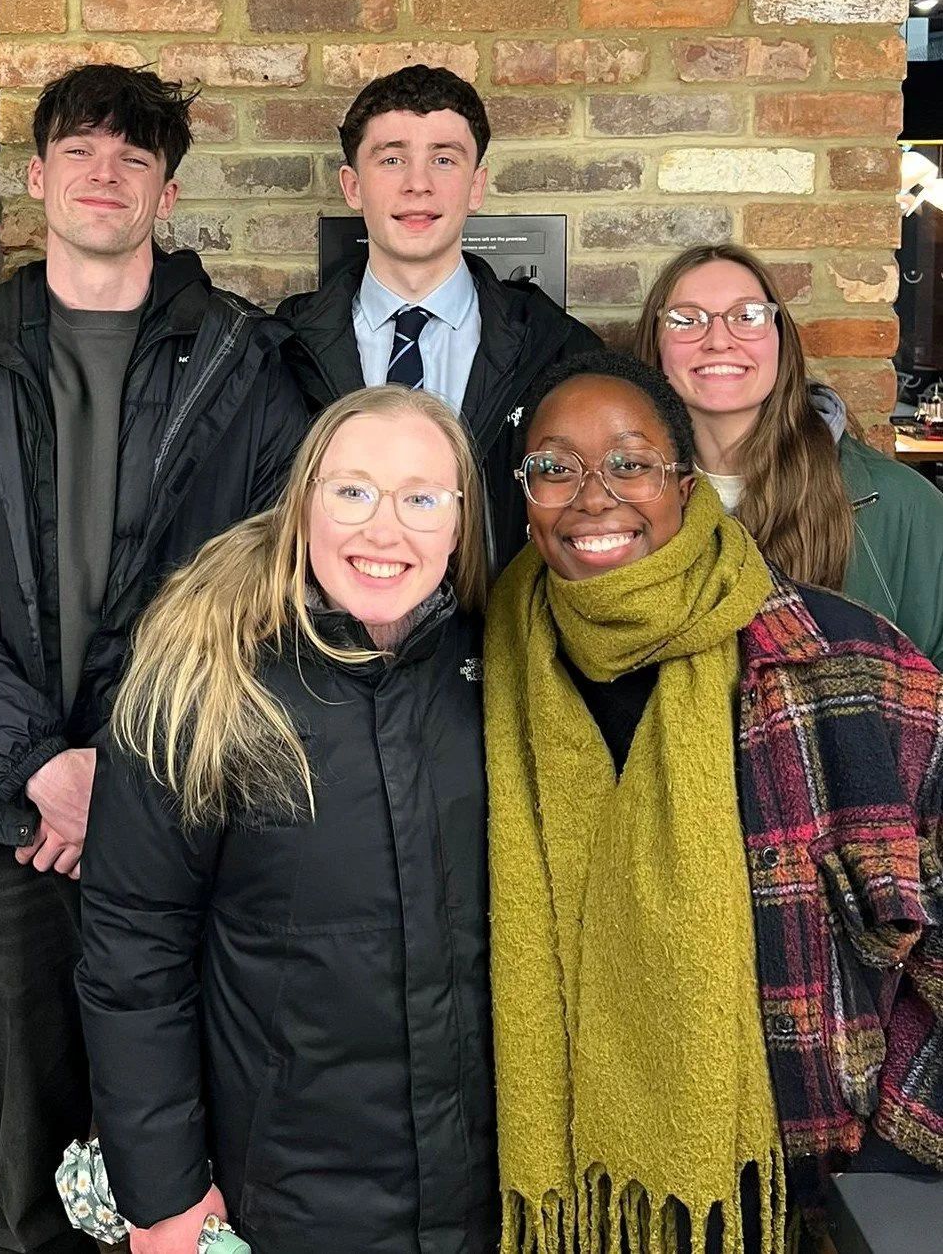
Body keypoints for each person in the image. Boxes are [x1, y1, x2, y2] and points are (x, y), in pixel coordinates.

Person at [0, 63, 307, 1254]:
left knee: (182, 1139)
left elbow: (268, 587)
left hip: (182, 811)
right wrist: (38, 764)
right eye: (80, 151)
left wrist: (123, 775)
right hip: (2, 825)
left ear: (167, 193)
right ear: (37, 178)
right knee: (22, 1150)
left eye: (133, 158)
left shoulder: (245, 362)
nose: (103, 175)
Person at [485, 350, 943, 1253]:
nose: (592, 497)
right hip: (554, 1183)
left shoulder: (837, 662)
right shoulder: (483, 667)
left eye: (630, 462)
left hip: (808, 1186)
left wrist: (893, 1134)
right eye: (554, 467)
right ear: (524, 494)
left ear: (685, 485)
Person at [77, 386, 496, 1254]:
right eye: (352, 492)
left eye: (421, 498)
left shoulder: (500, 670)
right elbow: (133, 954)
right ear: (303, 503)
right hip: (283, 1195)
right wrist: (163, 1194)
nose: (384, 529)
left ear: (460, 524)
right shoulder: (204, 678)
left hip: (483, 1194)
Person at [277, 63, 600, 574]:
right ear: (352, 186)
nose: (418, 184)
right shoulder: (282, 351)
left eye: (444, 159)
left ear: (476, 185)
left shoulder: (561, 351)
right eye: (392, 159)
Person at [636, 242, 943, 667]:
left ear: (781, 340)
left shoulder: (901, 505)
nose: (719, 340)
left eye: (747, 316)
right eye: (687, 320)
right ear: (656, 344)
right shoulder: (622, 503)